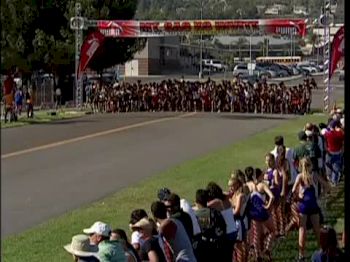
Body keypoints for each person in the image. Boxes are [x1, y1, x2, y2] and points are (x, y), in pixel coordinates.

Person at [292, 158, 329, 261]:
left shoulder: (300, 176)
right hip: (313, 204)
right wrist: (321, 196)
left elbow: (293, 190)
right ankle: (322, 250)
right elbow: (327, 186)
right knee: (317, 229)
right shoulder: (315, 175)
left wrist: (298, 196)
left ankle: (301, 255)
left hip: (303, 205)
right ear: (311, 165)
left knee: (302, 229)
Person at [246, 168, 275, 261]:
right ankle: (267, 248)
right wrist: (268, 206)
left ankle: (257, 254)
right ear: (259, 176)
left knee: (256, 236)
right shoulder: (262, 185)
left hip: (254, 214)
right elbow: (272, 196)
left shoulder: (248, 186)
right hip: (263, 212)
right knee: (272, 231)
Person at [206, 182, 237, 262]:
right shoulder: (226, 198)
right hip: (233, 230)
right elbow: (227, 193)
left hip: (227, 233)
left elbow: (203, 206)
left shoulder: (216, 202)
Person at [193, 189, 226, 262]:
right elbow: (224, 227)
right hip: (220, 247)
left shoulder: (198, 215)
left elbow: (205, 232)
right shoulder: (216, 212)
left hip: (206, 250)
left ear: (196, 202)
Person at [228, 175, 249, 262]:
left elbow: (236, 211)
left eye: (232, 186)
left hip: (238, 222)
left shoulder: (240, 195)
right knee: (239, 246)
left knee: (239, 246)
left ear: (237, 185)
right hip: (236, 222)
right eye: (229, 186)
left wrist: (228, 214)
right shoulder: (234, 195)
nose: (230, 188)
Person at [324, 120, 344, 186]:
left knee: (329, 166)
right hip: (337, 152)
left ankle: (330, 178)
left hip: (329, 152)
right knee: (335, 168)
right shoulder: (340, 133)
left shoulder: (327, 134)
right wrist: (340, 129)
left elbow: (325, 137)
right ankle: (334, 181)